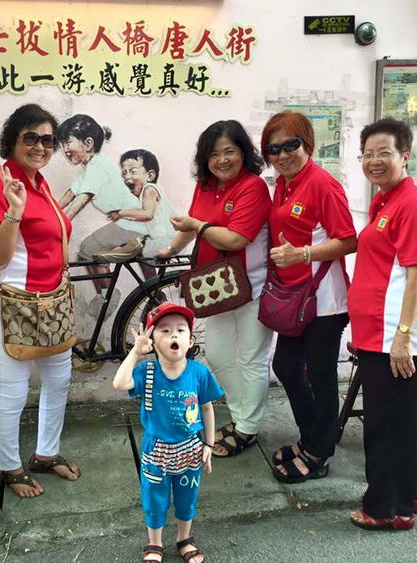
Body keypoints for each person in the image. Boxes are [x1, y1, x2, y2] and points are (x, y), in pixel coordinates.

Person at [0, 103, 81, 499]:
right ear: (13, 140)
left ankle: (45, 453)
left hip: (52, 301)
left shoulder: (38, 182)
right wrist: (14, 212)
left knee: (59, 380)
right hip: (13, 302)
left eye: (48, 140)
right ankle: (8, 466)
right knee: (12, 392)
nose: (40, 146)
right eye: (31, 138)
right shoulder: (1, 187)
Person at [156, 120, 272, 458]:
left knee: (251, 359)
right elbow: (192, 225)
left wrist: (199, 225)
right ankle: (240, 416)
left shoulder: (252, 187)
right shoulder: (205, 186)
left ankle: (247, 428)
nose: (222, 160)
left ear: (243, 153)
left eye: (229, 152)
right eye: (214, 154)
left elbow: (235, 239)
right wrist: (170, 249)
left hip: (252, 287)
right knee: (219, 356)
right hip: (217, 288)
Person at [347, 118, 417, 531]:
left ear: (405, 156)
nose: (374, 161)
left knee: (388, 427)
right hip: (378, 335)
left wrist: (402, 338)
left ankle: (387, 510)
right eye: (367, 154)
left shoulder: (412, 205)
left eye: (383, 152)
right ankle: (406, 496)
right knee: (402, 423)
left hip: (397, 339)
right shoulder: (387, 201)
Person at [260, 111, 357, 483]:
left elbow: (348, 240)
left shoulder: (322, 184)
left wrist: (302, 254)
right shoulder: (284, 184)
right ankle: (312, 438)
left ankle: (319, 452)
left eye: (291, 145)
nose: (283, 154)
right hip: (296, 298)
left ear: (308, 144)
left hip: (325, 300)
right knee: (286, 366)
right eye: (274, 149)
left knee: (320, 375)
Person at [112, 302, 223, 563]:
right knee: (154, 500)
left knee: (187, 498)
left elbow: (207, 408)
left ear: (190, 340)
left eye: (181, 330)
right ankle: (155, 543)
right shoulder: (147, 372)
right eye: (164, 330)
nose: (174, 335)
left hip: (191, 448)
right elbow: (119, 383)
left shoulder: (199, 373)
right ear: (152, 340)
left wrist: (208, 444)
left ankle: (184, 538)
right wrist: (135, 352)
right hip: (156, 450)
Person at [56, 115, 148, 317]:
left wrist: (56, 227)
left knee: (90, 249)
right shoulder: (89, 167)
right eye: (62, 144)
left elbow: (79, 202)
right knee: (86, 252)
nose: (65, 149)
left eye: (68, 142)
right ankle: (105, 294)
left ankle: (109, 294)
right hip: (126, 222)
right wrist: (49, 213)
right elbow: (69, 195)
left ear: (88, 144)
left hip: (132, 223)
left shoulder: (97, 168)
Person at [100, 149, 178, 278]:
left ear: (150, 175)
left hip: (165, 239)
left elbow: (148, 214)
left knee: (137, 248)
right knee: (139, 250)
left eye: (133, 172)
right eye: (124, 173)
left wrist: (121, 213)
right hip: (160, 238)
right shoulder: (144, 192)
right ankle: (151, 285)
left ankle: (152, 285)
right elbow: (145, 218)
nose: (127, 177)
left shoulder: (149, 189)